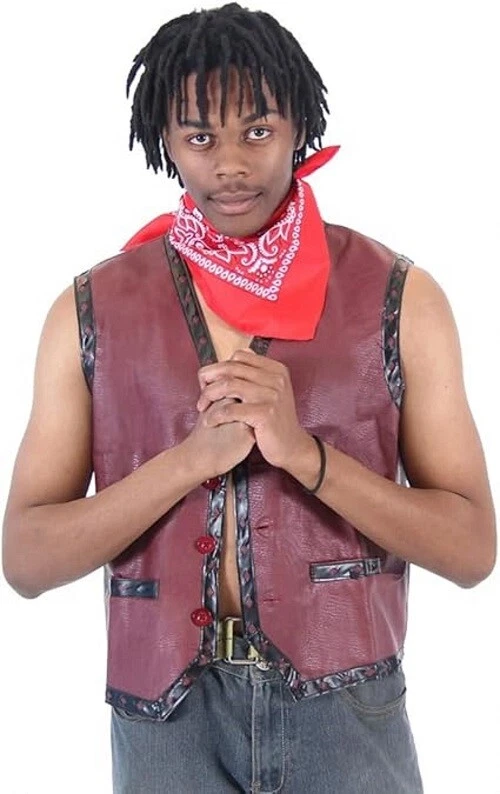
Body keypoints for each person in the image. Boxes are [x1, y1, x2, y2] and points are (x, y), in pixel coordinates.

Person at [2, 2, 496, 792]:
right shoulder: (88, 310)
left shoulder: (402, 297)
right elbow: (25, 560)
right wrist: (185, 463)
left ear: (299, 127)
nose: (230, 165)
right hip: (166, 725)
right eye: (200, 138)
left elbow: (472, 550)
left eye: (257, 131)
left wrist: (305, 456)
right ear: (164, 141)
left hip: (345, 708)